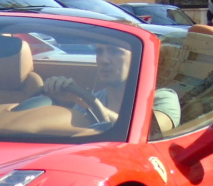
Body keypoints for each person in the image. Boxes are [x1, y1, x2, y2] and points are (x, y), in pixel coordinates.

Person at [42, 41, 181, 131]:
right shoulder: (94, 98)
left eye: (115, 51)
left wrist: (88, 103)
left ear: (138, 58)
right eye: (99, 52)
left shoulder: (163, 97)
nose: (104, 60)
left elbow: (153, 131)